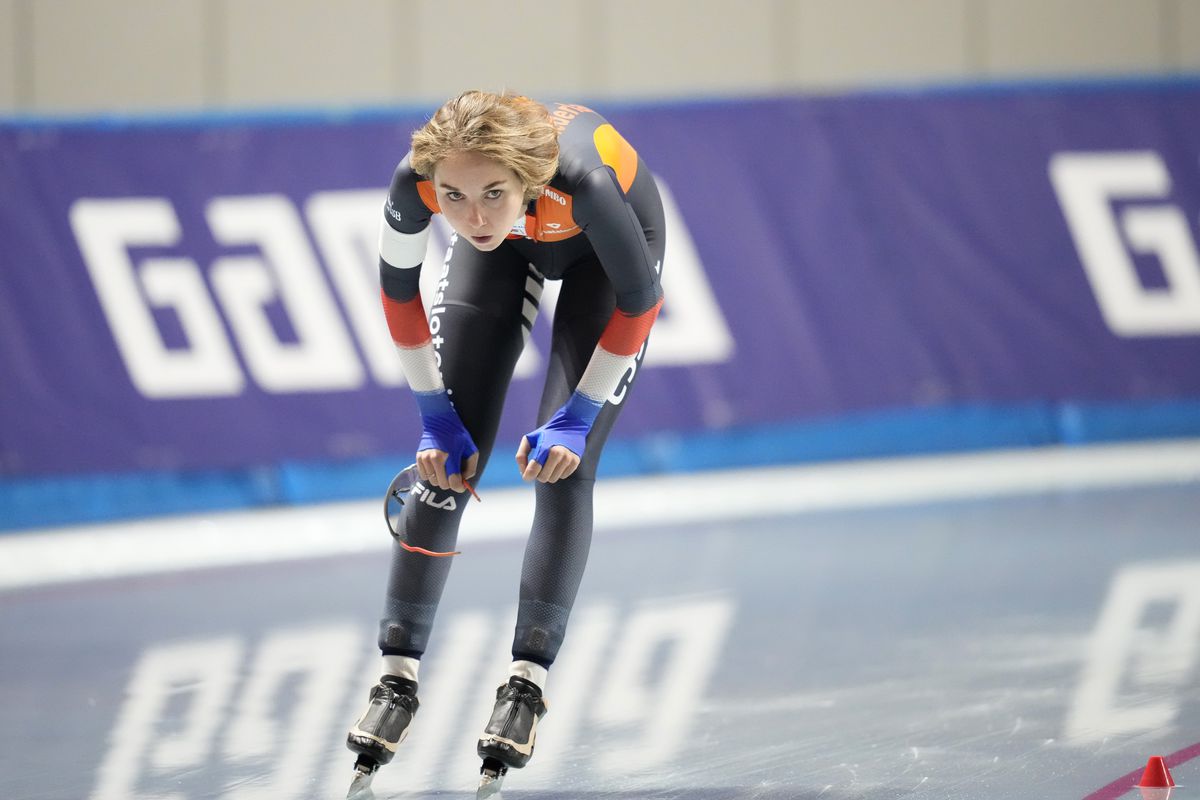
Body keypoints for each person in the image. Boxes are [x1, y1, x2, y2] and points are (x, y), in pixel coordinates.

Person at [345, 90, 665, 788]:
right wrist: (433, 413)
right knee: (446, 464)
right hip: (513, 254)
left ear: (527, 176)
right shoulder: (420, 182)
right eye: (453, 198)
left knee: (562, 466)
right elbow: (397, 293)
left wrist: (577, 418)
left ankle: (526, 681)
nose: (474, 216)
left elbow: (640, 303)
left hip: (607, 264)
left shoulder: (583, 181)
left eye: (492, 193)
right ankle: (395, 677)